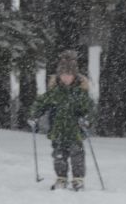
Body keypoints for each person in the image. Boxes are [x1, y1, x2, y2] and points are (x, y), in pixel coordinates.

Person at [29, 50, 94, 191]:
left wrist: (86, 119)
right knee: (59, 155)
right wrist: (34, 115)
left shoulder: (80, 93)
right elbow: (41, 103)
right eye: (63, 75)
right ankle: (61, 178)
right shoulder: (55, 92)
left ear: (74, 76)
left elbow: (89, 109)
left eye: (69, 75)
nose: (66, 78)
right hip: (58, 129)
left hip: (75, 130)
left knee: (77, 155)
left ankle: (78, 179)